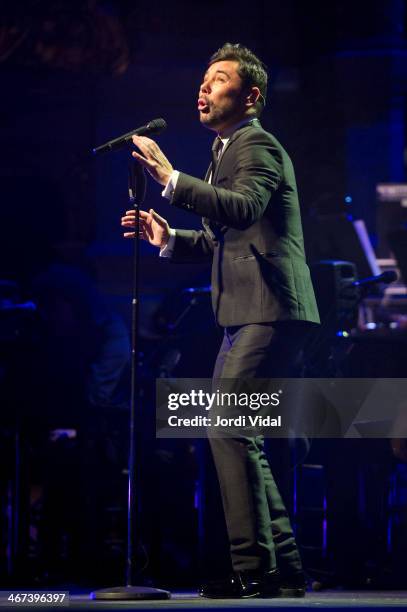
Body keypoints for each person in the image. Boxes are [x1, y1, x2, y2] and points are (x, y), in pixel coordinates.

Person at [121, 43, 320, 598]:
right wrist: (169, 239)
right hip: (247, 311)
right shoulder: (225, 149)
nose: (203, 88)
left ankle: (252, 569)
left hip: (268, 309)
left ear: (251, 97)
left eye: (219, 79)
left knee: (227, 428)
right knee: (240, 433)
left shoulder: (256, 144)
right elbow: (219, 236)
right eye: (203, 79)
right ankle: (283, 568)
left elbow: (243, 209)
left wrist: (169, 176)